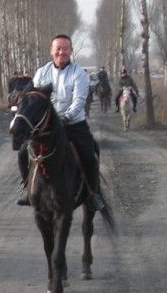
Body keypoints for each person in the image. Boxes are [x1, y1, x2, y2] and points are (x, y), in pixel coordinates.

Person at [17, 34, 104, 212]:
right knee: (21, 153)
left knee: (90, 155)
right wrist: (19, 102)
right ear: (51, 51)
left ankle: (92, 193)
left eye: (65, 48)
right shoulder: (42, 72)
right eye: (58, 48)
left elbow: (79, 100)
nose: (61, 52)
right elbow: (31, 96)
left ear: (71, 51)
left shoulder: (79, 73)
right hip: (45, 127)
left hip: (73, 125)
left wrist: (65, 118)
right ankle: (28, 191)